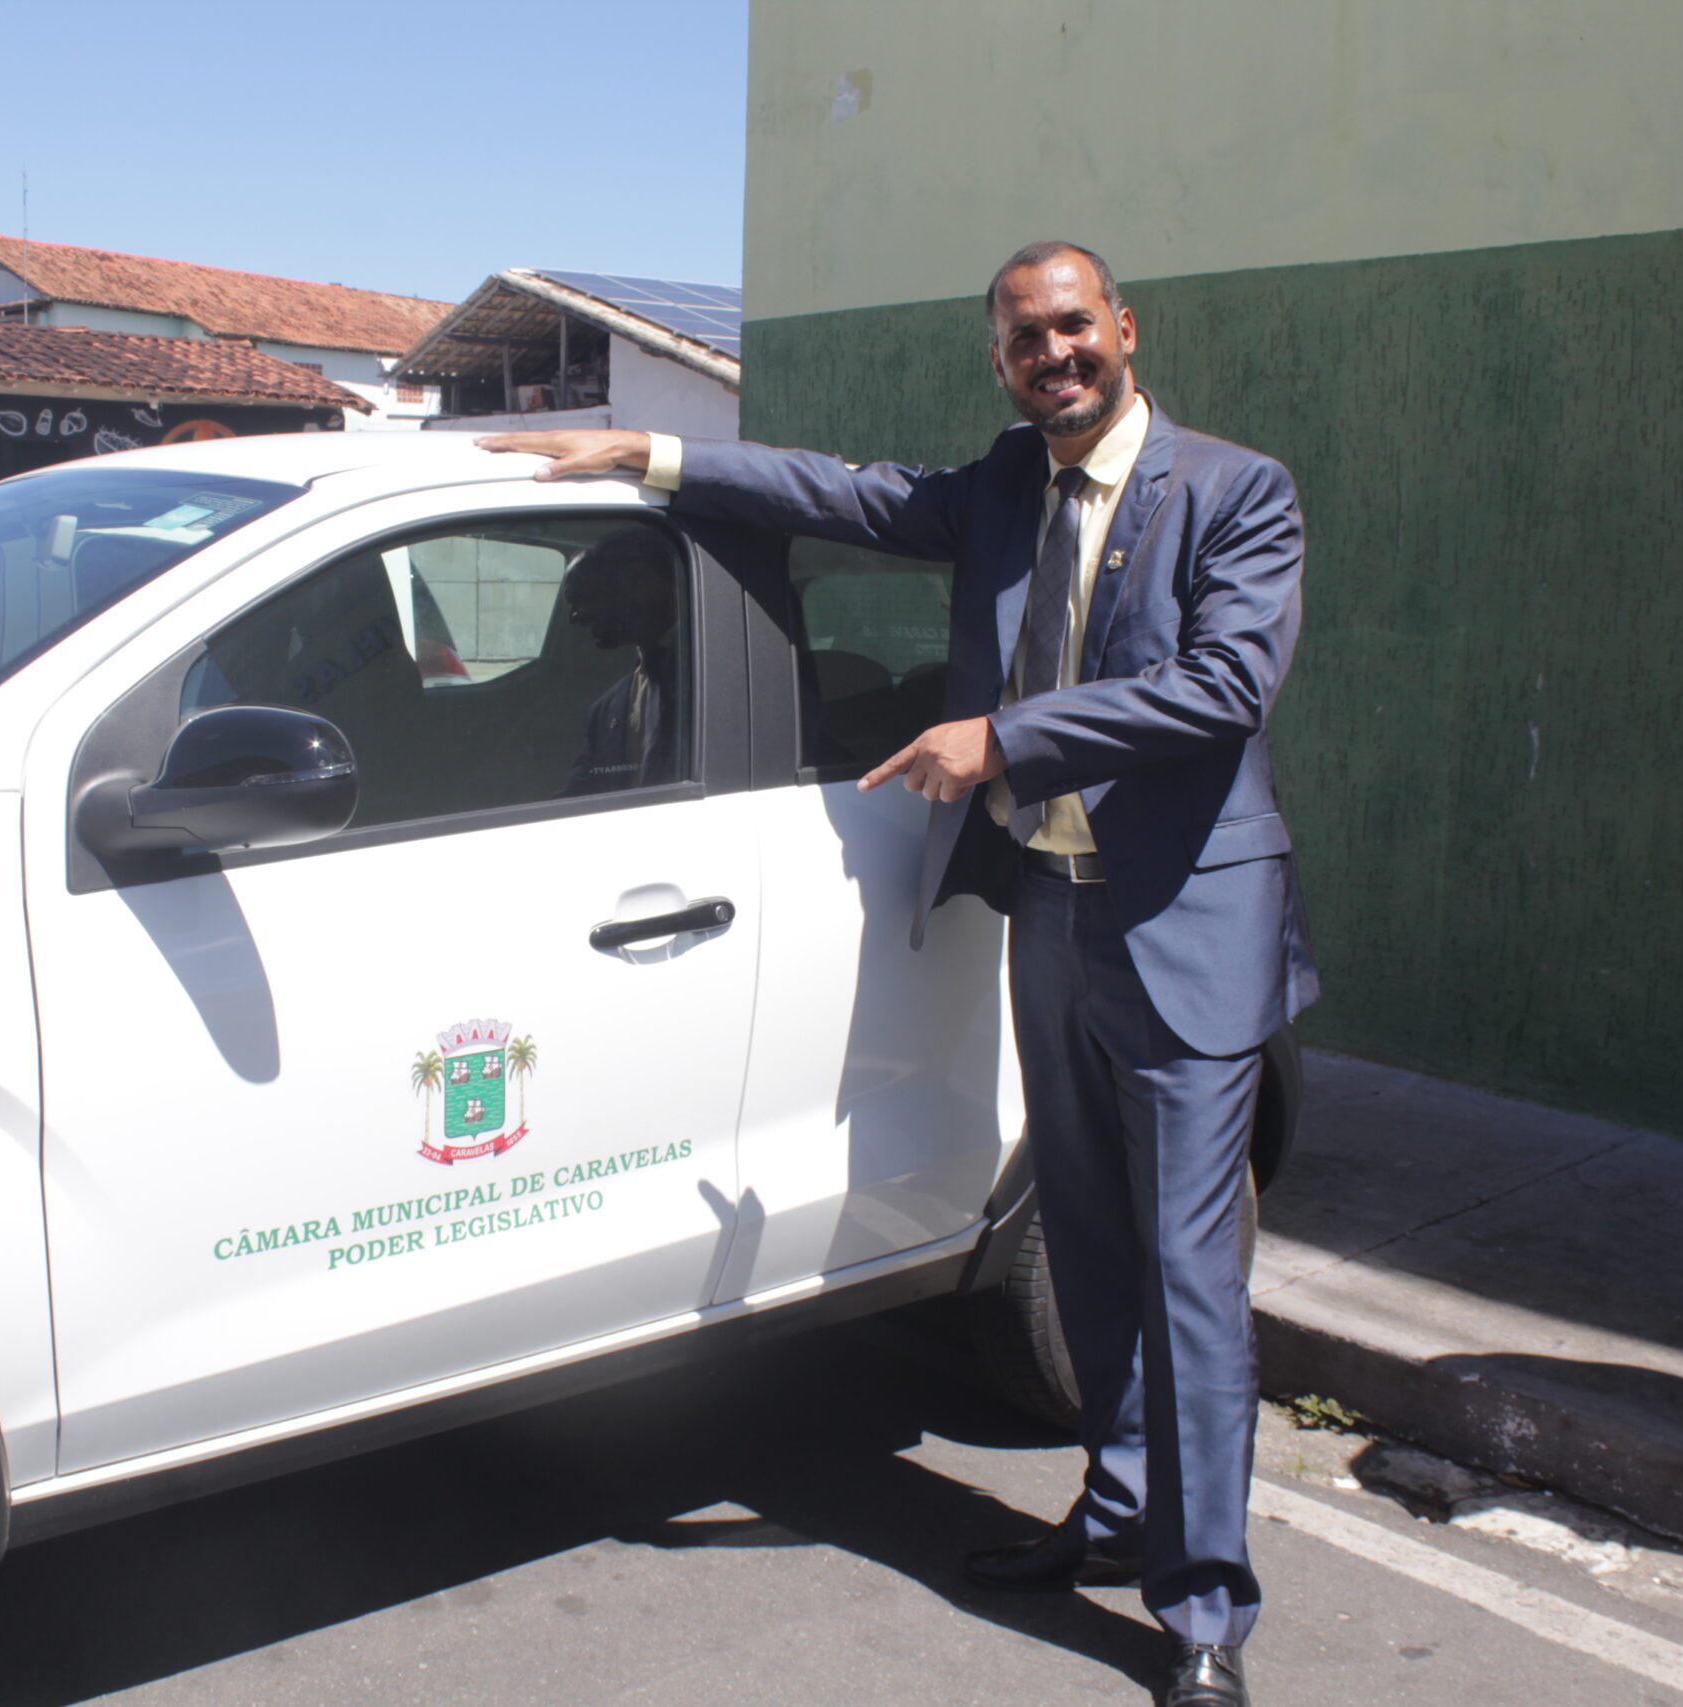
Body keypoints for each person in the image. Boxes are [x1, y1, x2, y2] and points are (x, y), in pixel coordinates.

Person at [483, 240, 1316, 1707]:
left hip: (1184, 931)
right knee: (1090, 1246)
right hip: (1049, 915)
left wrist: (1002, 740)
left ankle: (1202, 1609)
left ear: (1124, 329)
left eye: (1072, 327)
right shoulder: (1001, 483)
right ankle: (1118, 1512)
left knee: (1189, 1273)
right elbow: (847, 495)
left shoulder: (1234, 491)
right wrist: (653, 454)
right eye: (1023, 340)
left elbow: (1223, 685)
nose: (1053, 356)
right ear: (999, 359)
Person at [559, 528, 683, 796]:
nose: (574, 617)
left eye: (582, 596)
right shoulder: (604, 712)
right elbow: (580, 795)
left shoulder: (723, 678)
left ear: (641, 583)